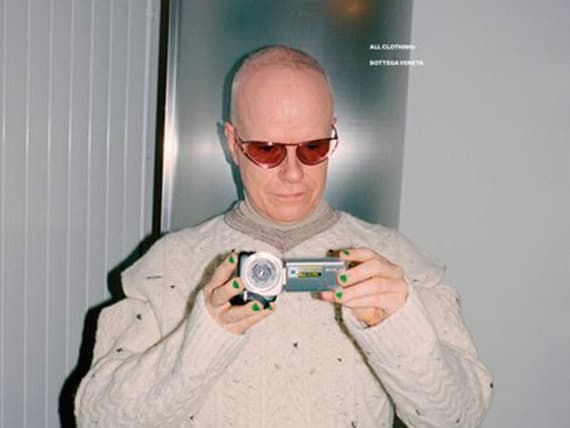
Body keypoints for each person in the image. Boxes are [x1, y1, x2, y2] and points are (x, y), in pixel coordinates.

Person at [75, 45, 493, 427]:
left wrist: (398, 327)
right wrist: (204, 338)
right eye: (267, 149)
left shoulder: (393, 261)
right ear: (233, 143)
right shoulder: (170, 264)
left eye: (313, 148)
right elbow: (97, 418)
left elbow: (461, 418)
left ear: (333, 133)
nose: (293, 173)